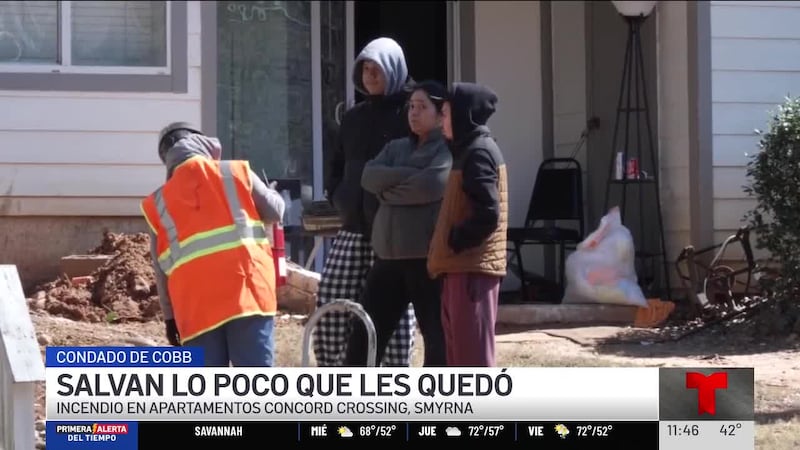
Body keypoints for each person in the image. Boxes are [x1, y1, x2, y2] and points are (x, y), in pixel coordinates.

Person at [141, 122, 285, 367]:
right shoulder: (235, 171)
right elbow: (274, 211)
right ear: (203, 142)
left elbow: (161, 269)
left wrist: (169, 318)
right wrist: (271, 193)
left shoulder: (157, 203)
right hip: (247, 294)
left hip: (195, 309)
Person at [314, 37, 417, 367]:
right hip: (354, 227)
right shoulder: (354, 116)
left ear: (395, 70)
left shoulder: (411, 113)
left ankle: (392, 376)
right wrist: (338, 195)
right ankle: (336, 373)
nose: (371, 76)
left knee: (395, 309)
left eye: (378, 69)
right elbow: (337, 164)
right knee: (332, 296)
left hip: (396, 231)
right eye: (365, 69)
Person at [344, 81, 451, 367]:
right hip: (387, 259)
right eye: (411, 107)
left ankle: (437, 405)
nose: (414, 113)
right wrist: (409, 176)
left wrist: (388, 190)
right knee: (365, 337)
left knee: (437, 340)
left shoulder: (445, 149)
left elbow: (432, 185)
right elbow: (368, 178)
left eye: (422, 107)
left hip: (427, 261)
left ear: (441, 114)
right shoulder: (395, 147)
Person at [427, 83, 508, 367]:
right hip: (460, 269)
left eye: (446, 113)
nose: (441, 120)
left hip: (472, 272)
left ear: (464, 115)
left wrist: (455, 239)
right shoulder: (467, 151)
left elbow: (488, 213)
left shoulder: (478, 153)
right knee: (460, 360)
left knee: (473, 364)